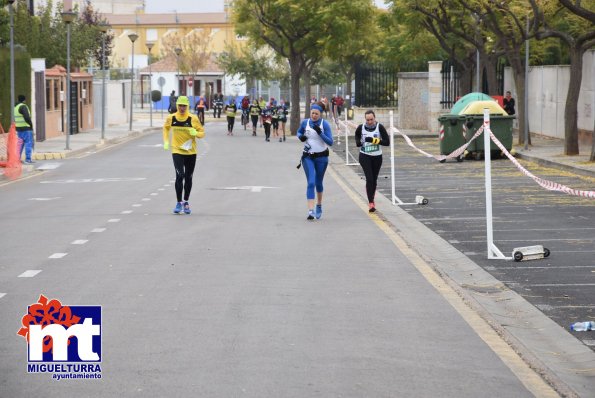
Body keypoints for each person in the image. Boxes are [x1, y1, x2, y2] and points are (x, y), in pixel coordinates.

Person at [162, 96, 205, 215]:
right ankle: (178, 202)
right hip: (177, 150)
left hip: (191, 152)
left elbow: (202, 133)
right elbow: (165, 128)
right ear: (177, 106)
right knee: (179, 175)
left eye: (184, 106)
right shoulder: (172, 118)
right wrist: (166, 141)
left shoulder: (193, 118)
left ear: (187, 106)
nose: (181, 108)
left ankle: (186, 201)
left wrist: (196, 133)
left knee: (188, 177)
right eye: (180, 105)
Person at [296, 104, 333, 220]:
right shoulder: (305, 122)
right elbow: (299, 132)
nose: (314, 115)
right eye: (312, 113)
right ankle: (311, 211)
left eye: (316, 113)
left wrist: (320, 133)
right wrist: (300, 136)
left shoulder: (324, 124)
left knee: (318, 183)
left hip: (322, 158)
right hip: (308, 157)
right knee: (311, 182)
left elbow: (330, 142)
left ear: (320, 114)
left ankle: (319, 205)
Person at [354, 110, 390, 212]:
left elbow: (387, 142)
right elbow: (356, 135)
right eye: (367, 120)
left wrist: (374, 140)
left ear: (375, 118)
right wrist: (358, 142)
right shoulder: (361, 127)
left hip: (377, 157)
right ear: (365, 119)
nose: (369, 122)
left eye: (371, 119)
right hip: (365, 156)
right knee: (369, 179)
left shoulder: (380, 127)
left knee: (374, 180)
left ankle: (372, 199)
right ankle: (371, 203)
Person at [15, 95, 35, 164]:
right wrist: (31, 125)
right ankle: (28, 159)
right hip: (26, 128)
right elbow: (27, 117)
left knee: (20, 144)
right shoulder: (23, 106)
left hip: (19, 129)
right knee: (28, 143)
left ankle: (17, 159)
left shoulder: (15, 107)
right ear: (24, 100)